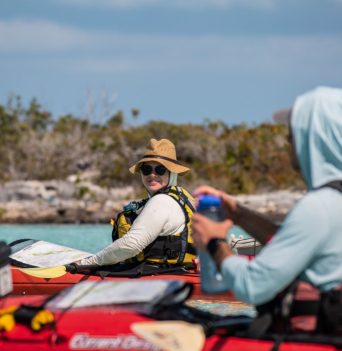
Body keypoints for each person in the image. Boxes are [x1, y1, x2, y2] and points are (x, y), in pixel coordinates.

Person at [191, 86, 342, 312]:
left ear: (315, 138)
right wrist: (239, 214)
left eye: (294, 132)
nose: (288, 140)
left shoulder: (318, 208)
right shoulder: (331, 203)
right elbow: (285, 241)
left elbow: (252, 287)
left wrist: (215, 243)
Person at [72, 138, 196, 271]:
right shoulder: (183, 197)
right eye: (146, 169)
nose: (152, 175)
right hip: (177, 272)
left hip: (158, 277)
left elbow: (131, 245)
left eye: (160, 170)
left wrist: (88, 262)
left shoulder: (162, 201)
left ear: (172, 173)